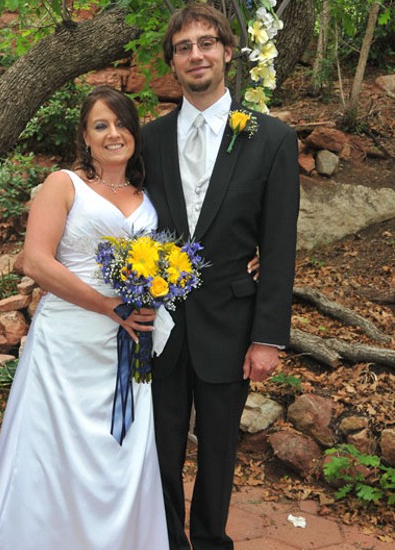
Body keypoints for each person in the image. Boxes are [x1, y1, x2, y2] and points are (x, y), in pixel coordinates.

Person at [0, 86, 169, 549]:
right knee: (55, 456)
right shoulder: (64, 184)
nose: (113, 134)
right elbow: (36, 262)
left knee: (118, 457)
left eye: (121, 123)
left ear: (134, 132)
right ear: (84, 136)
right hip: (68, 345)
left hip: (126, 347)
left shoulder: (148, 192)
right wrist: (108, 306)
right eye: (100, 125)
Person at [142, 4, 300, 549]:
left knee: (217, 449)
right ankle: (166, 540)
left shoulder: (272, 139)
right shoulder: (150, 140)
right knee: (158, 446)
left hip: (232, 323)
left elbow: (279, 246)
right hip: (158, 327)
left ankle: (210, 541)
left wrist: (267, 336)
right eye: (184, 48)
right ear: (174, 63)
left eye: (206, 43)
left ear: (228, 53)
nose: (196, 55)